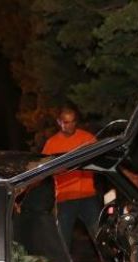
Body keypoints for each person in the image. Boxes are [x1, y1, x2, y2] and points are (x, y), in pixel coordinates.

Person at [41, 105, 101, 252]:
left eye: (73, 121)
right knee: (63, 239)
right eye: (66, 122)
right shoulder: (51, 144)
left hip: (88, 196)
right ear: (59, 122)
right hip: (65, 198)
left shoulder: (87, 138)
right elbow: (41, 171)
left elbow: (104, 160)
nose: (70, 125)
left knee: (99, 235)